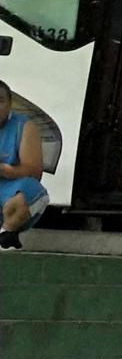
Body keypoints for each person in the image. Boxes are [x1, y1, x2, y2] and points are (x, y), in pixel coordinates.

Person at [0, 77, 49, 249]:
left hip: (7, 188)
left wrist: (5, 170)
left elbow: (34, 171)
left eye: (0, 101)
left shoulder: (24, 126)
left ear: (9, 104)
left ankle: (6, 235)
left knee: (33, 190)